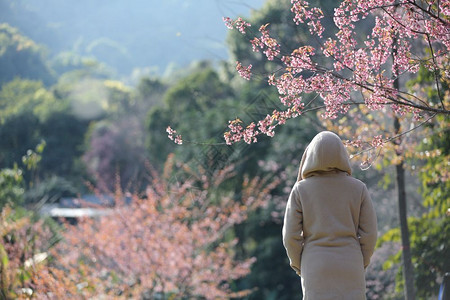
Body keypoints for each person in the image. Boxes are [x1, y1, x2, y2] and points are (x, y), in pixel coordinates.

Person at [282, 131, 378, 300]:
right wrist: (360, 261)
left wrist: (300, 265)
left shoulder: (300, 189)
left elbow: (290, 236)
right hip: (350, 264)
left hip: (315, 265)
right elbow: (370, 234)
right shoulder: (358, 188)